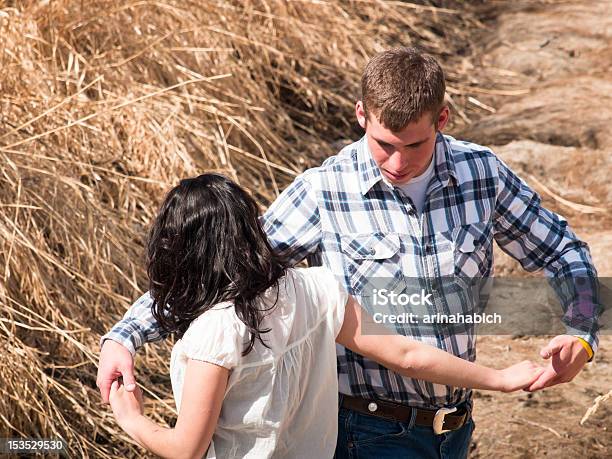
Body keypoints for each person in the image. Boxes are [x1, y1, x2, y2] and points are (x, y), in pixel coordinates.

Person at [98, 48, 600, 458]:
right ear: (361, 115)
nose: (398, 163)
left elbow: (563, 252)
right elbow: (228, 270)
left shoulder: (482, 174)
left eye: (416, 145)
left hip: (458, 430)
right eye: (383, 144)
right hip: (364, 432)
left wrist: (582, 334)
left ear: (443, 118)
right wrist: (125, 336)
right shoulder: (324, 190)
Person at [107, 174, 543, 459]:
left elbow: (187, 448)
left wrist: (131, 418)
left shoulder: (213, 333)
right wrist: (500, 378)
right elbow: (406, 354)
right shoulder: (316, 289)